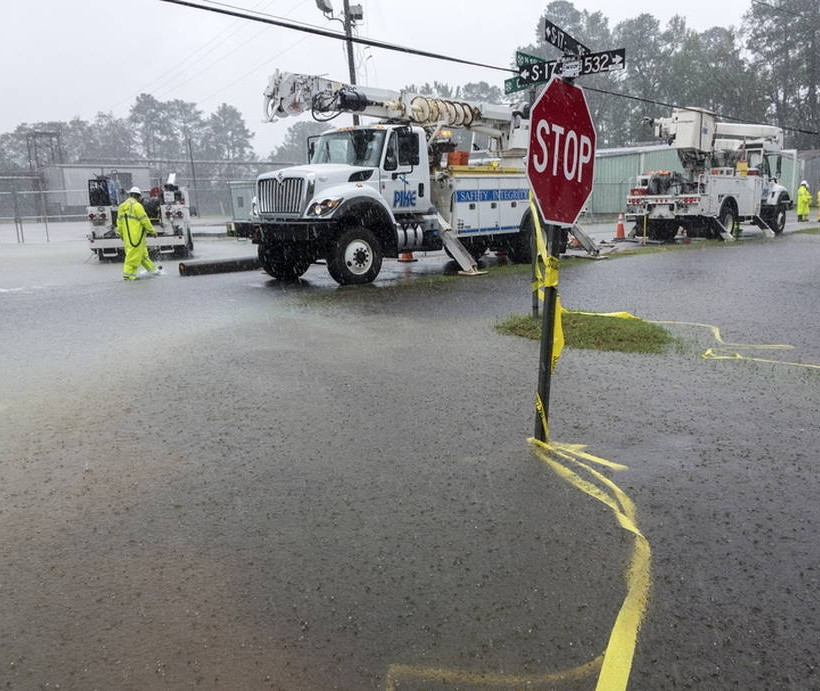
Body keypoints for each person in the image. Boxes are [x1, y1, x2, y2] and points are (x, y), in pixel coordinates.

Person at [116, 186, 162, 280]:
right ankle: (128, 276)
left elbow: (119, 222)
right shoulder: (137, 206)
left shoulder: (122, 206)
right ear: (138, 196)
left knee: (142, 255)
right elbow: (144, 220)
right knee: (133, 256)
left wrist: (120, 233)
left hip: (128, 237)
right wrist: (152, 231)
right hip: (137, 237)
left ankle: (153, 270)